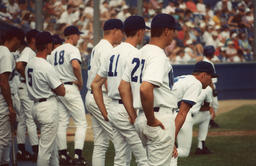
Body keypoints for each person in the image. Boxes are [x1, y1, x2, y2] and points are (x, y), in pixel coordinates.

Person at [119, 13, 181, 166]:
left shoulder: (139, 53)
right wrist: (151, 119)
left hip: (141, 117)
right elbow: (145, 89)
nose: (174, 34)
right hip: (157, 116)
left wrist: (134, 117)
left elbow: (123, 87)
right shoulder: (157, 55)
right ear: (166, 31)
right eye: (173, 30)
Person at [91, 16, 149, 166]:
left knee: (121, 157)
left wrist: (105, 112)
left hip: (113, 108)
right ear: (140, 32)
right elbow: (125, 88)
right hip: (127, 109)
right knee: (144, 158)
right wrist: (132, 114)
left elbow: (95, 84)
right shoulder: (136, 54)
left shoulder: (113, 52)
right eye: (144, 31)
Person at [85, 18, 124, 166]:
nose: (123, 36)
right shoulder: (108, 49)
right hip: (100, 96)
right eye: (122, 32)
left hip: (92, 96)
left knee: (101, 143)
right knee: (120, 139)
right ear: (115, 31)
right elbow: (107, 80)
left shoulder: (98, 46)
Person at [47, 25, 88, 165]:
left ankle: (63, 155)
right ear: (72, 35)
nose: (79, 38)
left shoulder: (54, 51)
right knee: (82, 123)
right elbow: (76, 65)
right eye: (78, 35)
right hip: (70, 87)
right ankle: (77, 155)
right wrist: (81, 81)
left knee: (62, 123)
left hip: (58, 88)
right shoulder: (72, 48)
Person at [25, 31, 65, 166]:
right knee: (45, 150)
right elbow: (62, 91)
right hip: (47, 107)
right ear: (48, 45)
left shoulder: (30, 63)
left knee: (52, 147)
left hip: (35, 106)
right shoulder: (46, 65)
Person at [170, 64, 217, 166]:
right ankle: (201, 145)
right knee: (180, 151)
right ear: (204, 75)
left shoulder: (184, 78)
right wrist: (171, 139)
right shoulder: (196, 84)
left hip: (163, 113)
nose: (211, 81)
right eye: (211, 77)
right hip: (177, 115)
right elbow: (183, 113)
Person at [0, 27, 24, 166]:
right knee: (3, 139)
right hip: (2, 99)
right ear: (14, 39)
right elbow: (3, 81)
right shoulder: (5, 53)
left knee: (6, 137)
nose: (18, 45)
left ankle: (5, 162)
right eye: (19, 42)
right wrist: (10, 105)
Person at [15, 29, 39, 161]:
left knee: (23, 120)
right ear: (33, 39)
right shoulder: (28, 51)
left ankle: (21, 149)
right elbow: (19, 66)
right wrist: (28, 80)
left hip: (22, 87)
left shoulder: (29, 51)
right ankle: (36, 150)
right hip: (25, 87)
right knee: (30, 120)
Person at [202, 45, 220, 128]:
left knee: (212, 104)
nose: (214, 53)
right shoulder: (207, 62)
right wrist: (213, 89)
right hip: (209, 86)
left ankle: (210, 121)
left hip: (209, 85)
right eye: (213, 52)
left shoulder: (207, 61)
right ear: (210, 53)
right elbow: (209, 78)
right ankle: (209, 122)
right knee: (213, 104)